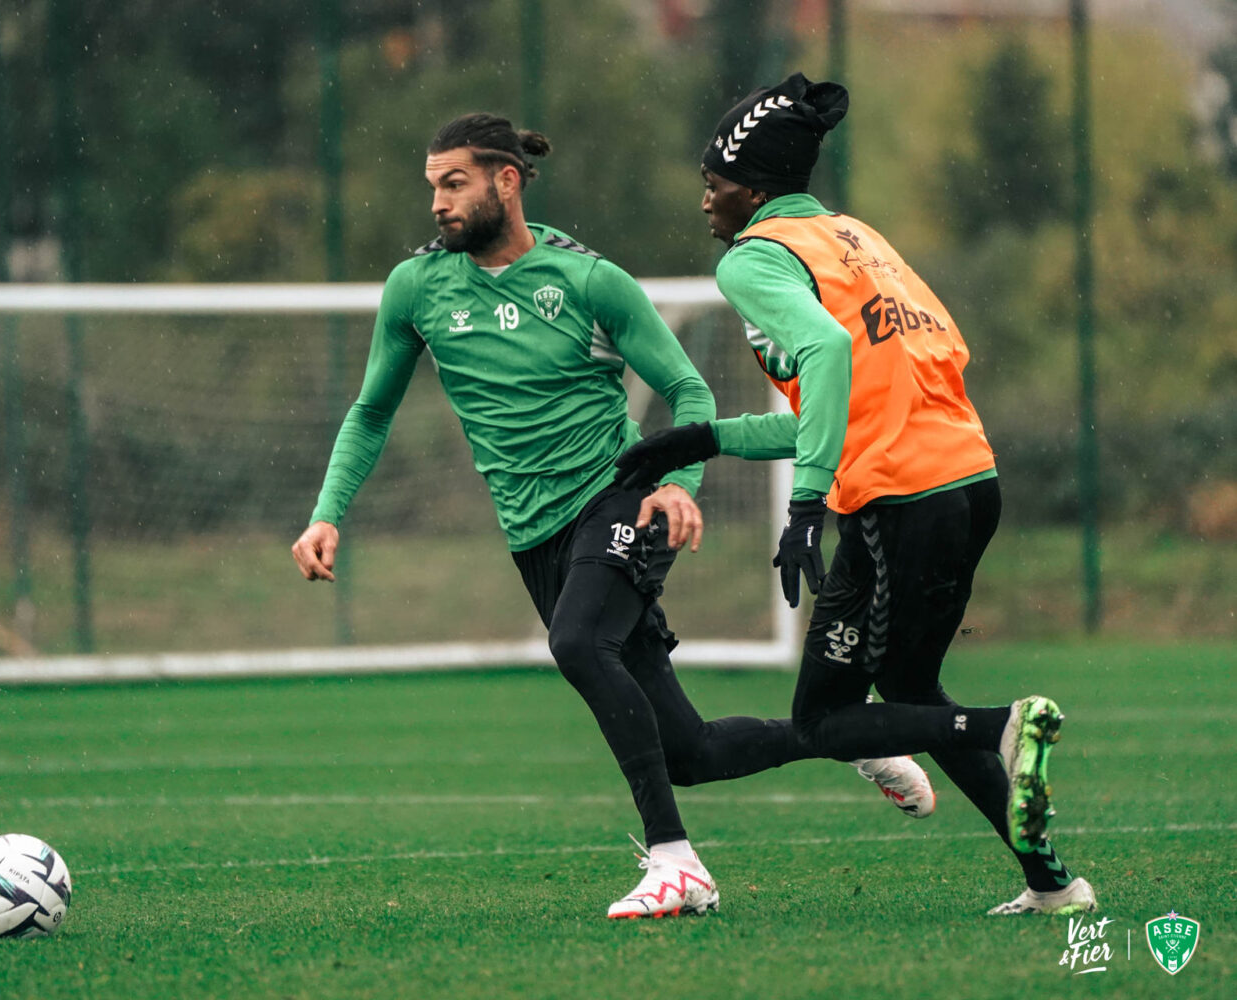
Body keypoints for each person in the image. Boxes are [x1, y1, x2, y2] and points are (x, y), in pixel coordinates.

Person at [292, 112, 935, 920]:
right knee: (690, 751)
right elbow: (371, 411)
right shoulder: (416, 288)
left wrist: (678, 485)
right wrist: (327, 513)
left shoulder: (591, 281)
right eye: (432, 188)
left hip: (617, 497)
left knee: (575, 642)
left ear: (507, 181)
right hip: (534, 535)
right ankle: (855, 736)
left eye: (453, 184)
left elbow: (690, 394)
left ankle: (676, 861)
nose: (438, 204)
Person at [615, 73, 1097, 915]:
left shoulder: (754, 258)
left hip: (897, 500)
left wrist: (807, 508)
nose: (706, 201)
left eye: (714, 183)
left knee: (826, 723)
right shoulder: (851, 236)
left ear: (753, 189)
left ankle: (1002, 726)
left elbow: (830, 359)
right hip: (968, 479)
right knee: (911, 688)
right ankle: (1055, 884)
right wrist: (708, 437)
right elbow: (860, 396)